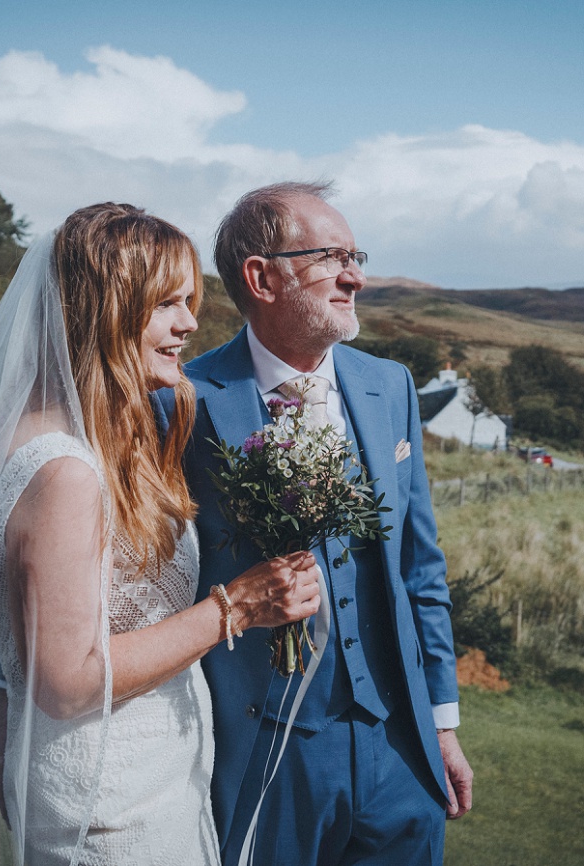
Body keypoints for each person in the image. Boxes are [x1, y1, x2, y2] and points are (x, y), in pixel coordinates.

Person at [0, 202, 322, 866]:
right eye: (166, 303)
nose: (189, 323)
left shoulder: (35, 438)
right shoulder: (65, 473)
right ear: (108, 310)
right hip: (111, 807)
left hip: (128, 785)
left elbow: (15, 673)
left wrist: (14, 770)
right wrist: (236, 607)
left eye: (188, 300)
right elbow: (67, 681)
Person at [174, 181, 474, 865]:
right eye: (331, 257)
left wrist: (442, 728)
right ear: (262, 276)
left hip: (400, 748)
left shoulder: (389, 385)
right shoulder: (187, 399)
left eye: (356, 255)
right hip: (264, 750)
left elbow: (418, 568)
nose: (356, 276)